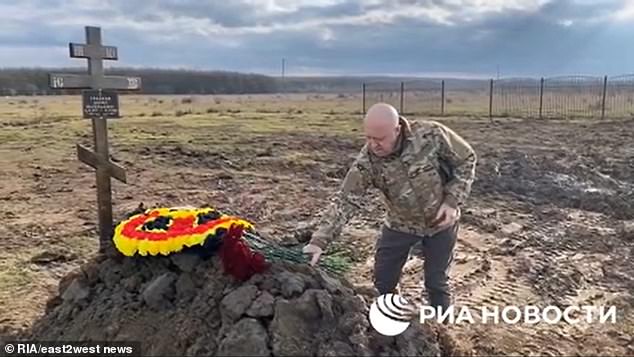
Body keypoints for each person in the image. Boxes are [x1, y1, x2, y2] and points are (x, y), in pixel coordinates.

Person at [302, 103, 477, 312]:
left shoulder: (431, 135)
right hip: (399, 225)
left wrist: (451, 201)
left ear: (397, 129)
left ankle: (442, 331)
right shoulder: (367, 162)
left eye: (380, 139)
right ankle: (392, 326)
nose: (373, 145)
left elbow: (466, 160)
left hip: (441, 223)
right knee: (383, 282)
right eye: (368, 138)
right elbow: (346, 201)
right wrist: (318, 241)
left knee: (437, 283)